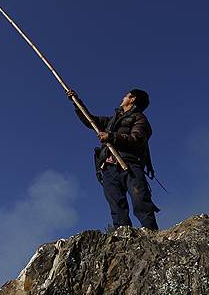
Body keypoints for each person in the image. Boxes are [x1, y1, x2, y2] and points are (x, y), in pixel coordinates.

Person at [67, 88, 159, 230]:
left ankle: (152, 233)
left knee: (140, 201)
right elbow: (90, 120)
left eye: (126, 95)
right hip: (109, 168)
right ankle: (123, 237)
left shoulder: (139, 119)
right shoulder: (112, 120)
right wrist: (76, 102)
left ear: (132, 99)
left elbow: (137, 139)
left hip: (129, 165)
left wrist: (110, 137)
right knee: (116, 205)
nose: (123, 97)